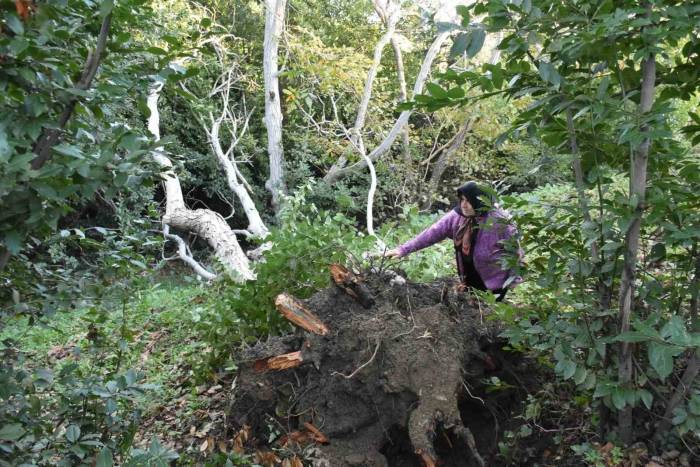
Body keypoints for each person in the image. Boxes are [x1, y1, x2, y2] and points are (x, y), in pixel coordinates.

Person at [384, 181, 523, 301]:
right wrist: (403, 250)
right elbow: (431, 233)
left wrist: (515, 278)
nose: (464, 205)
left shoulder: (500, 221)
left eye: (469, 200)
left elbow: (515, 251)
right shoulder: (457, 217)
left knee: (488, 316)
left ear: (480, 201)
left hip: (494, 282)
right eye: (462, 200)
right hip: (468, 276)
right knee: (472, 310)